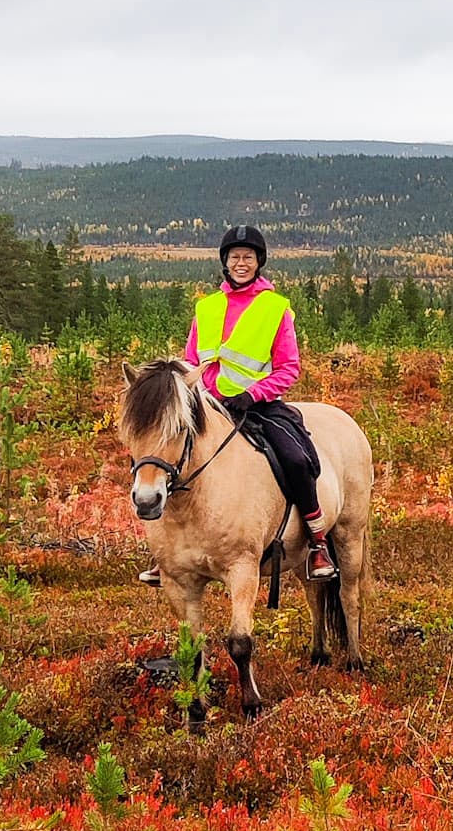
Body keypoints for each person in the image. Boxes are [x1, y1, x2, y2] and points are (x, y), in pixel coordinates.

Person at [140, 224, 333, 586]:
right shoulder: (207, 308)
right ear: (224, 263)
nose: (240, 263)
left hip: (257, 407)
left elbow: (289, 367)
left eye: (248, 257)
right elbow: (191, 360)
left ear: (258, 262)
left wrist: (252, 394)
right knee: (166, 457)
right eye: (234, 258)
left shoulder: (276, 309)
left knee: (296, 458)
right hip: (209, 407)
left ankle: (317, 539)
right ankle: (166, 553)